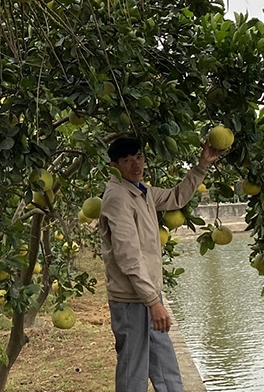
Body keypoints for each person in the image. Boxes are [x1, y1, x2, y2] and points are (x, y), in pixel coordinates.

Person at [99, 136, 224, 392]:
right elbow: (128, 256)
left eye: (138, 157)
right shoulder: (118, 197)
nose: (136, 164)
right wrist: (153, 302)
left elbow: (176, 198)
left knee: (166, 367)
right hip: (131, 299)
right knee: (133, 370)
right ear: (114, 165)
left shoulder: (141, 191)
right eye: (127, 160)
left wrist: (201, 165)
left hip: (147, 295)